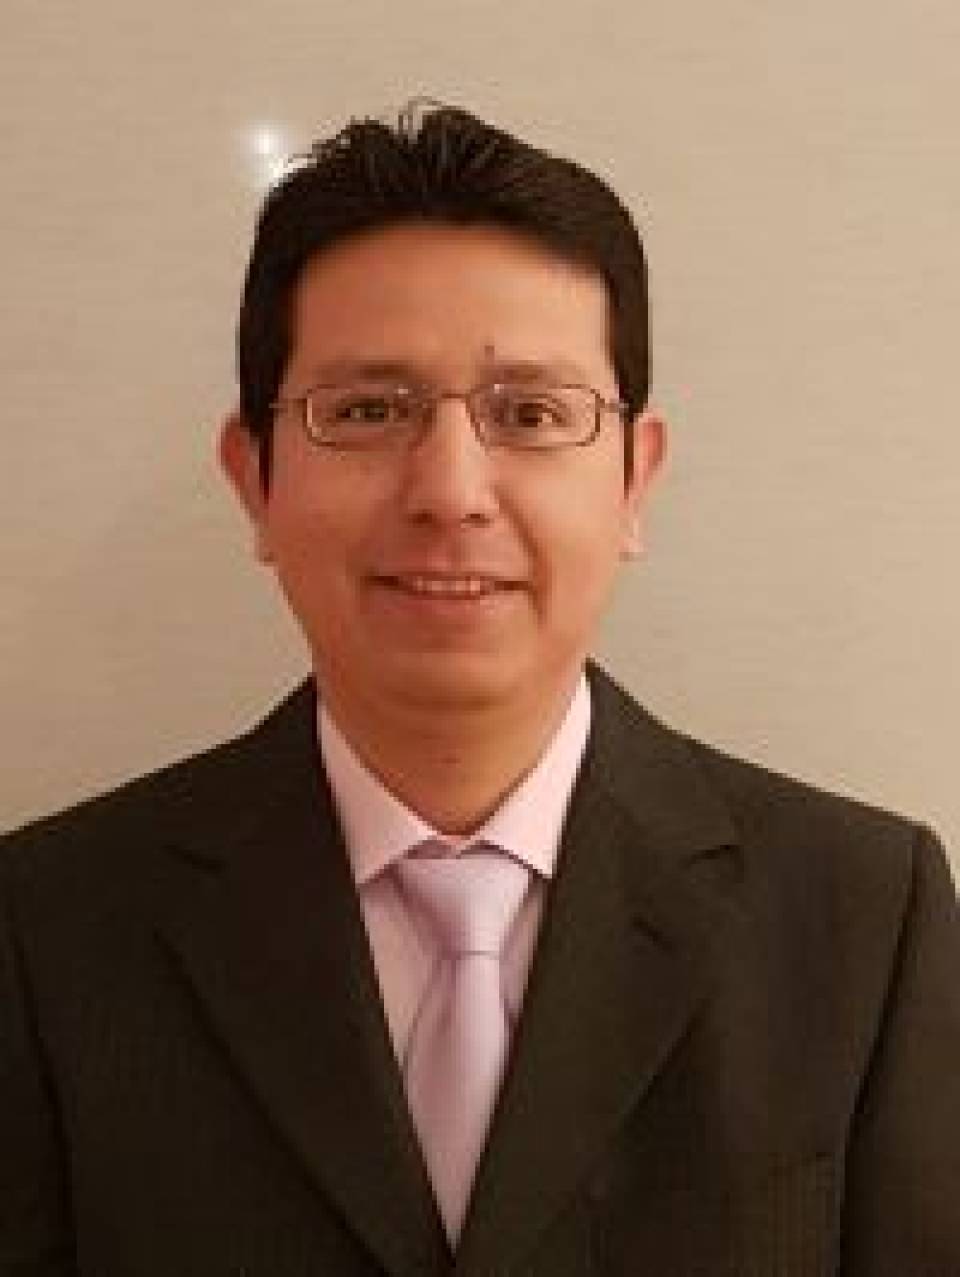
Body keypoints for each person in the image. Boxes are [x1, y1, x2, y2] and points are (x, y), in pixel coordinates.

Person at [1, 101, 958, 1277]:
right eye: (367, 410)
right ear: (255, 480)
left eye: (532, 414)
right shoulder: (48, 927)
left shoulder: (864, 917)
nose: (451, 490)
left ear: (634, 478)